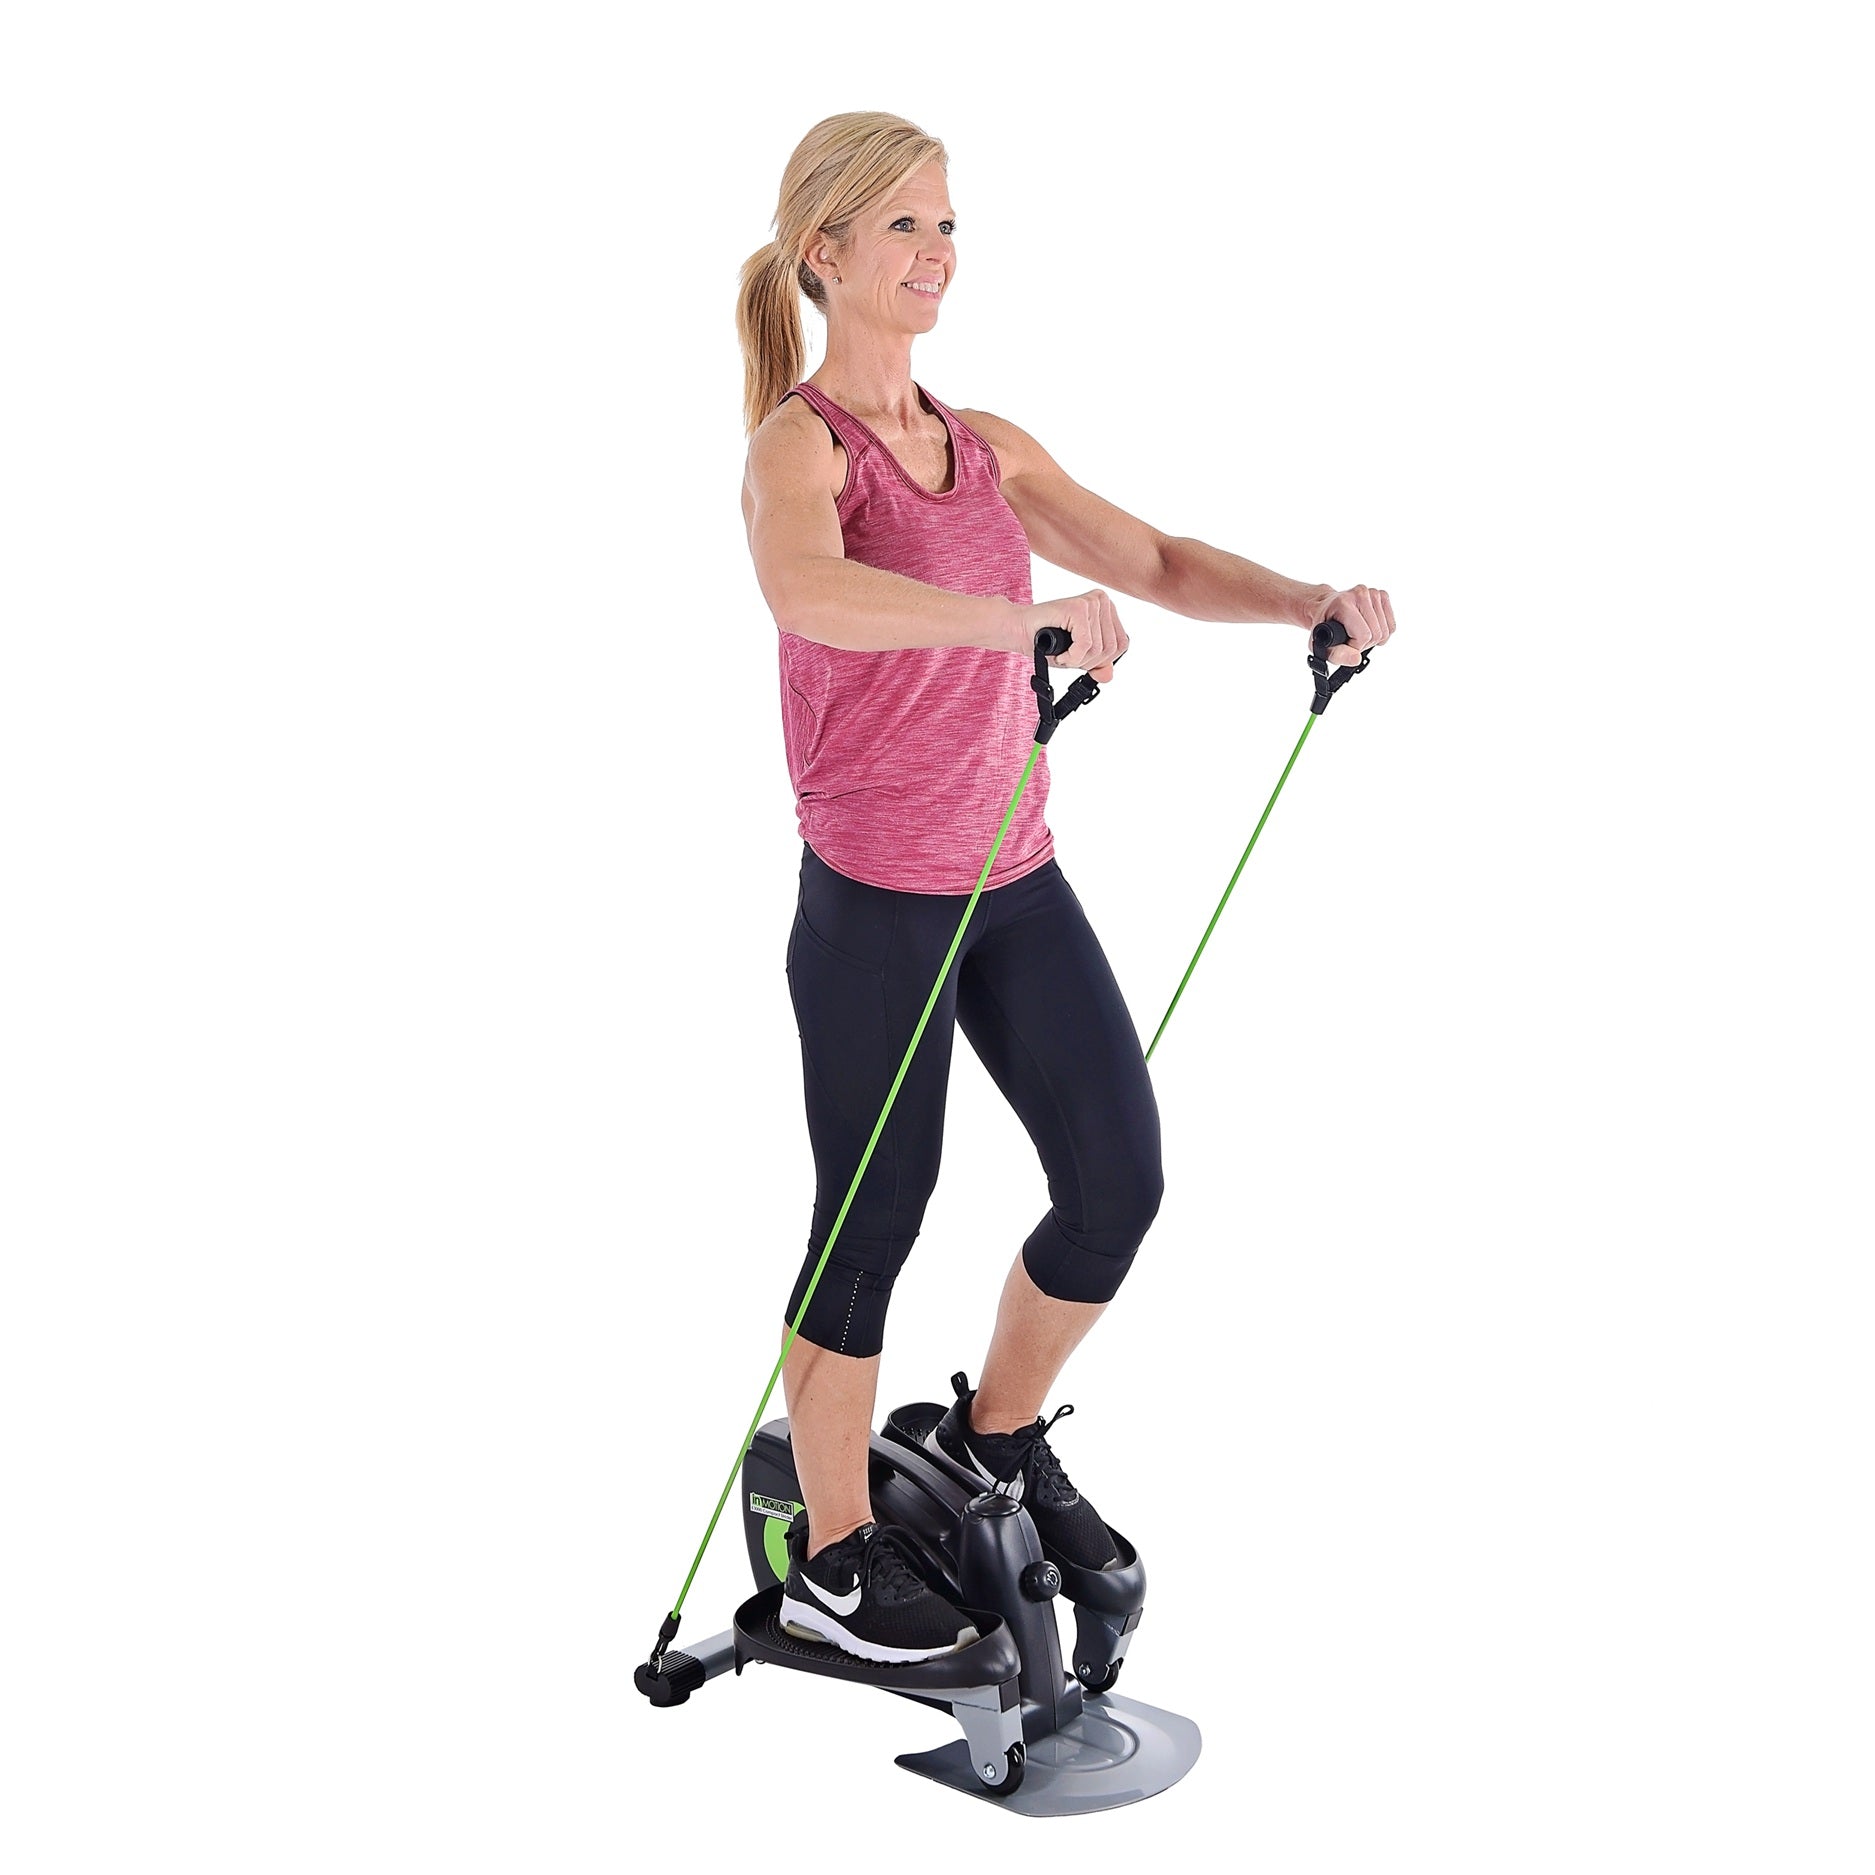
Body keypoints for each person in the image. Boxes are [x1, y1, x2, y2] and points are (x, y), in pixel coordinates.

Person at [735, 112, 1396, 1666]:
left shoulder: (988, 446)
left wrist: (1310, 600)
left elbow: (1156, 559)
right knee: (870, 1222)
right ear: (825, 250)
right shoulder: (799, 445)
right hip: (880, 904)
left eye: (950, 226)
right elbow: (805, 588)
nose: (937, 256)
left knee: (1117, 1183)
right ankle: (833, 1558)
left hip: (1014, 882)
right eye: (904, 228)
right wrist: (1008, 626)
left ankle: (991, 1438)